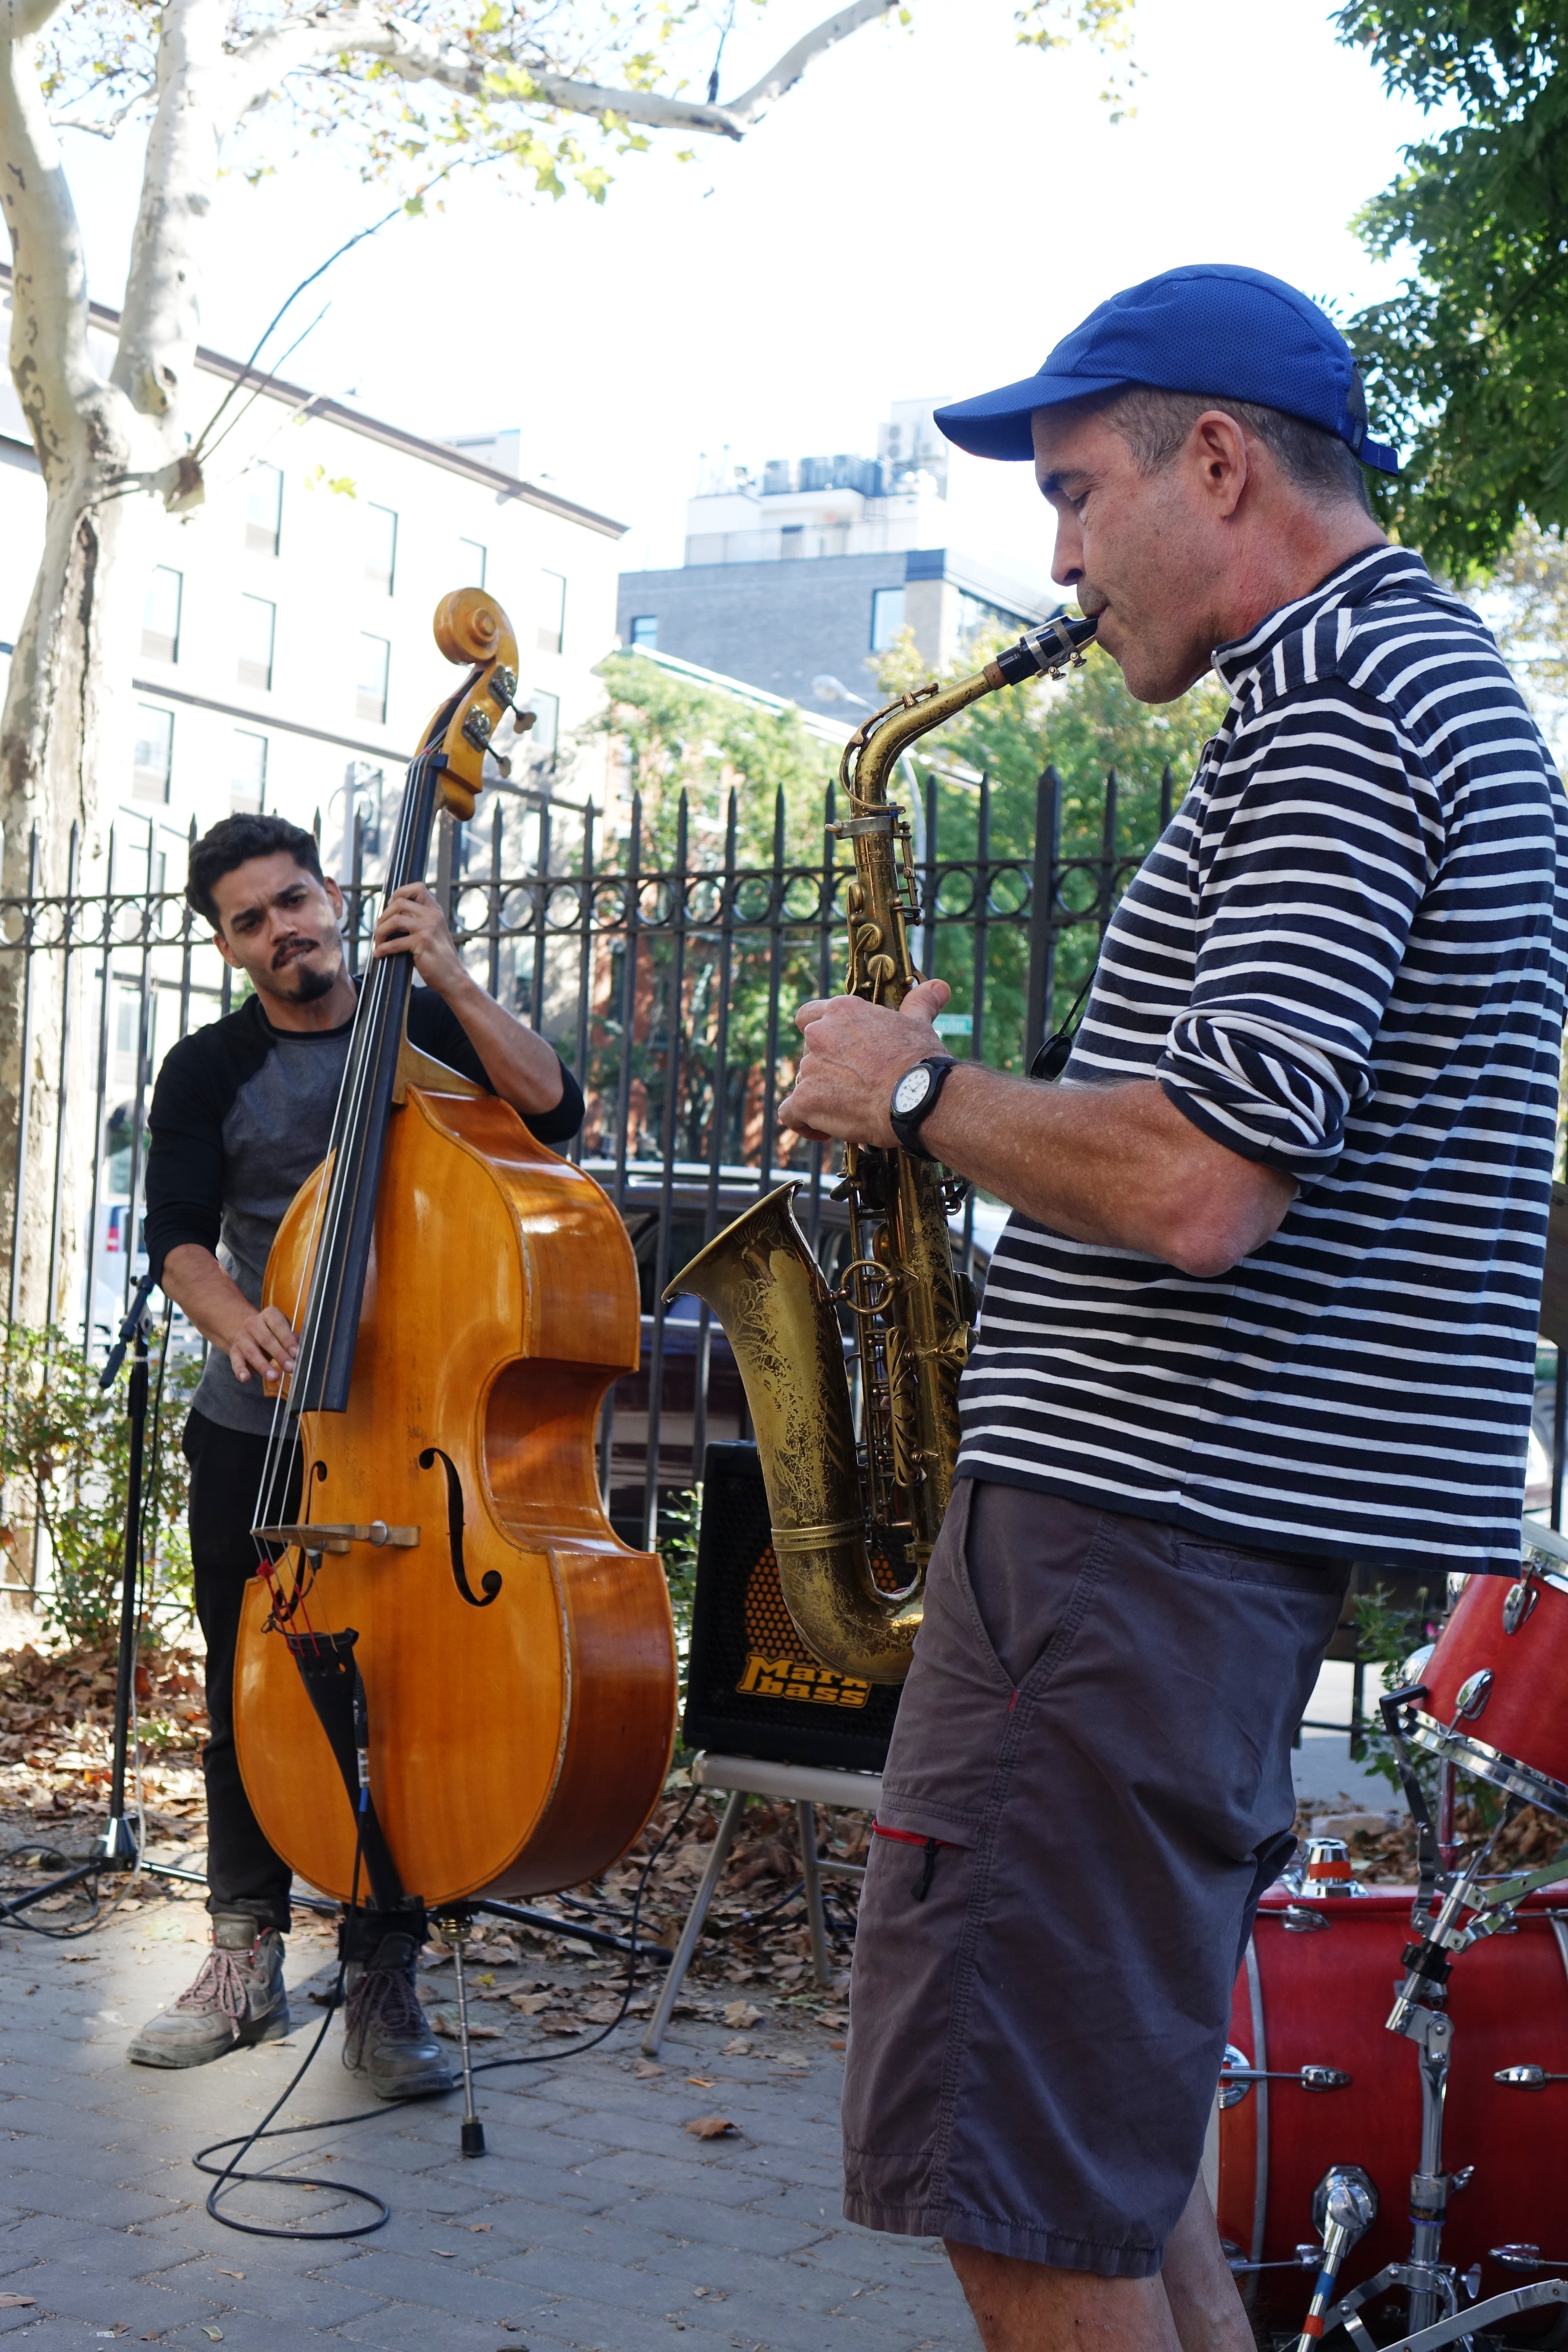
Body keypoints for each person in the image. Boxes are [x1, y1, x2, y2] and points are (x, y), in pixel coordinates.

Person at [777, 263, 1568, 2351]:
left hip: (1131, 1555)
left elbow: (1209, 1183)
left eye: (1065, 491)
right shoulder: (1414, 686)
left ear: (1212, 460)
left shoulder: (1339, 703)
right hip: (1182, 1559)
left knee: (1024, 2196)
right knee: (1118, 2177)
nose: (1048, 559)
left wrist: (920, 1093)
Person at [128, 813, 584, 2095]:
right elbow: (175, 1236)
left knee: (407, 1714)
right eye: (252, 921)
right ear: (229, 948)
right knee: (247, 1696)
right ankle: (241, 1959)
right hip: (259, 1434)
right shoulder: (209, 1067)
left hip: (415, 1428)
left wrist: (443, 969)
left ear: (333, 895)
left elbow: (555, 1117)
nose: (285, 931)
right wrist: (234, 1318)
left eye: (294, 901)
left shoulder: (430, 1029)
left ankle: (384, 1980)